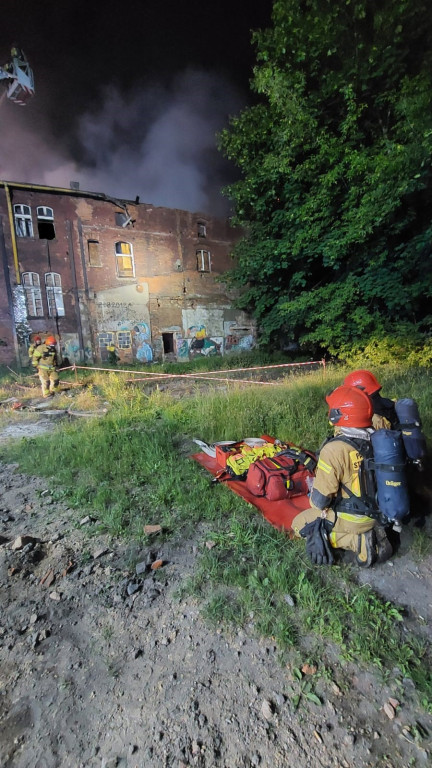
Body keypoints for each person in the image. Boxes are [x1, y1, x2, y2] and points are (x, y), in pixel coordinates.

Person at [292, 385, 392, 567]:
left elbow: (319, 502)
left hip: (353, 519)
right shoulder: (380, 436)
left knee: (299, 525)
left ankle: (358, 541)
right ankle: (373, 529)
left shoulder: (334, 449)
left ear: (338, 415)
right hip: (382, 510)